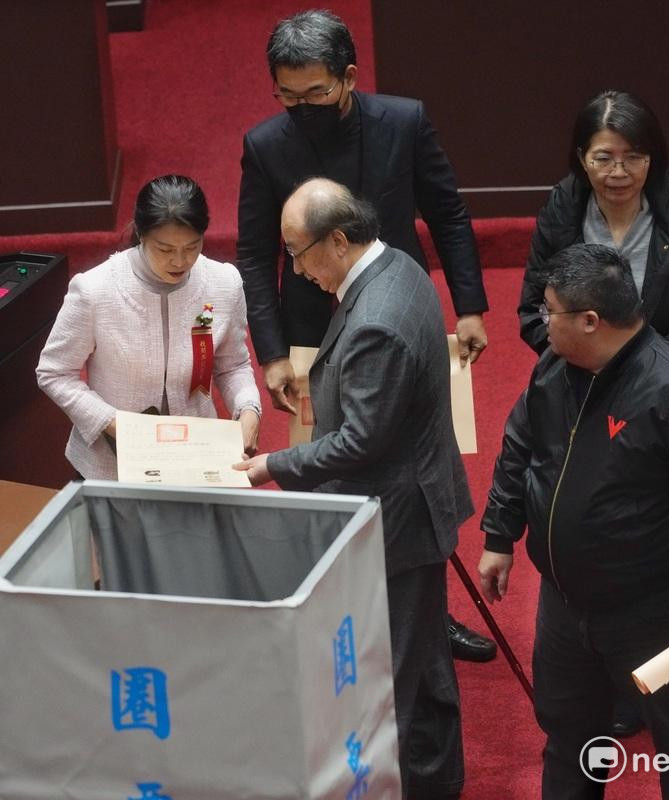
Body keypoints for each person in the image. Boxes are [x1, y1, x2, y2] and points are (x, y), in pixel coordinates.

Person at [237, 8, 494, 663]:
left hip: (398, 316)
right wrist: (270, 355)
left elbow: (448, 211)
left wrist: (468, 306)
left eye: (316, 93)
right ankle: (343, 615)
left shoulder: (402, 122)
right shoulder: (267, 145)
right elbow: (254, 253)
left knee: (417, 472)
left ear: (348, 77)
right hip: (310, 335)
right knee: (331, 478)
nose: (302, 108)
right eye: (288, 97)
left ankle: (430, 615)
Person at [479, 243, 669, 799]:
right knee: (569, 738)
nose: (538, 320)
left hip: (655, 611)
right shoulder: (554, 368)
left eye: (548, 310)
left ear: (590, 321)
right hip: (564, 603)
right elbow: (519, 446)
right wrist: (499, 534)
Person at [236, 178, 472, 799]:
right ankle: (436, 782)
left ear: (337, 240)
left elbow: (362, 442)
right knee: (425, 665)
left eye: (297, 251)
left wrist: (275, 466)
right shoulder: (396, 265)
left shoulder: (378, 319)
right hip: (412, 498)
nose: (294, 267)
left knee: (392, 673)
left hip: (395, 516)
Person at [518, 89, 669, 737]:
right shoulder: (562, 209)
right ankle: (615, 687)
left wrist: (654, 371)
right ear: (581, 159)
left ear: (654, 159)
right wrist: (577, 361)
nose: (619, 172)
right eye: (604, 157)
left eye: (634, 157)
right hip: (583, 400)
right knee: (607, 532)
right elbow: (535, 309)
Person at [37, 174, 261, 479]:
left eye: (192, 247)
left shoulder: (223, 284)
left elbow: (232, 365)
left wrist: (248, 407)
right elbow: (54, 372)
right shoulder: (96, 290)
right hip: (112, 462)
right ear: (140, 234)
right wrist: (113, 424)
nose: (180, 261)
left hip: (195, 459)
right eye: (165, 250)